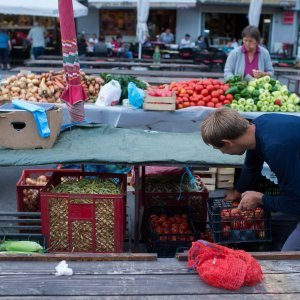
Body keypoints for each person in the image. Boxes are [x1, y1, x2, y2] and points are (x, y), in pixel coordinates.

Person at [200, 107, 300, 251]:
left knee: (288, 257)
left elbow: (295, 203)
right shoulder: (258, 125)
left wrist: (260, 198)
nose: (222, 152)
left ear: (227, 143)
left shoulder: (275, 148)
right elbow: (252, 165)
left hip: (297, 200)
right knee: (274, 228)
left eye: (219, 148)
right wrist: (238, 191)